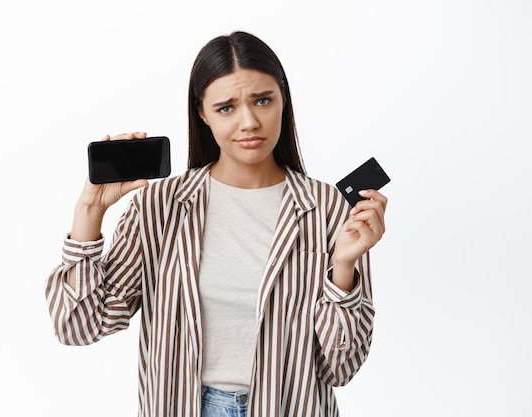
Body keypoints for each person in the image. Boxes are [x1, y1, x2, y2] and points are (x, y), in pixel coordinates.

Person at [45, 30, 387, 417]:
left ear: (283, 100)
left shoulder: (328, 208)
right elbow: (78, 326)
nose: (249, 122)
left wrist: (342, 269)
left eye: (262, 100)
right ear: (202, 113)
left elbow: (343, 368)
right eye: (226, 107)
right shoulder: (159, 207)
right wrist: (90, 212)